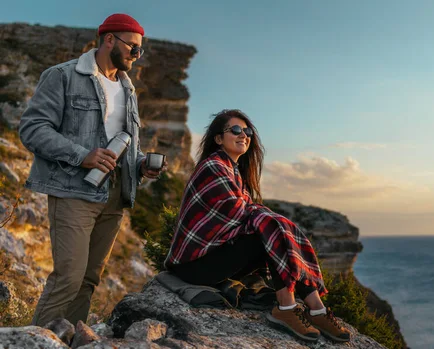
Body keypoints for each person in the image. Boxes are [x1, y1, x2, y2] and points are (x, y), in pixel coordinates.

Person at [19, 13, 167, 327]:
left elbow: (125, 144)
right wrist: (83, 155)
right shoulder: (63, 75)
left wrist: (141, 164)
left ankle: (68, 339)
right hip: (74, 190)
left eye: (140, 50)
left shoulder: (128, 92)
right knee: (68, 278)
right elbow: (32, 129)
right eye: (133, 47)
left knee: (88, 280)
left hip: (116, 195)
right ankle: (36, 341)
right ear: (109, 39)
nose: (136, 55)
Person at [164, 109, 351, 342]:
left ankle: (317, 309)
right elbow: (237, 213)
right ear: (219, 139)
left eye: (247, 131)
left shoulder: (234, 172)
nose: (244, 135)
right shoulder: (213, 166)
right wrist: (273, 221)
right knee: (269, 229)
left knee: (272, 229)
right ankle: (286, 309)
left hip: (212, 259)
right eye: (235, 130)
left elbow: (245, 216)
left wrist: (271, 221)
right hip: (192, 266)